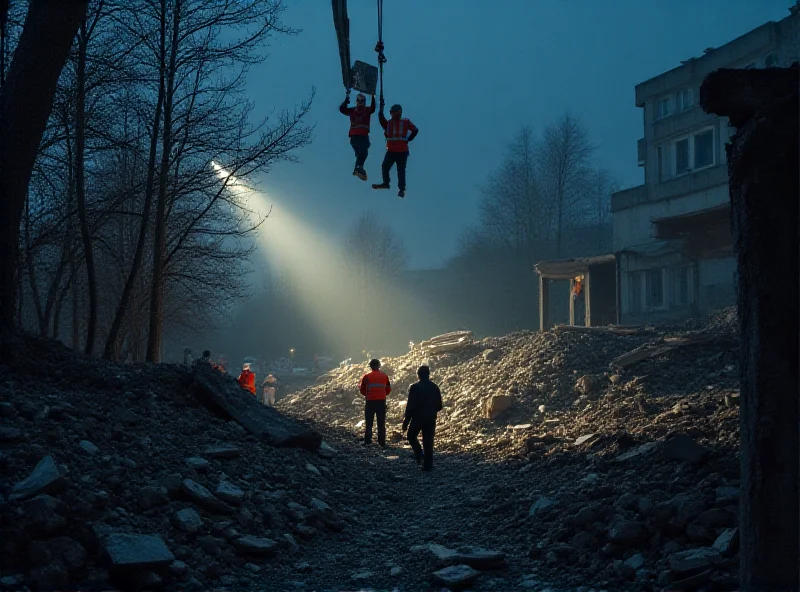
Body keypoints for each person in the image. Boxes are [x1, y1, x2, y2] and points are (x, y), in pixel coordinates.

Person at [372, 103, 418, 198]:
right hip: (393, 151)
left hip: (401, 151)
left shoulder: (404, 122)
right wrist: (380, 111)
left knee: (400, 170)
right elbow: (382, 121)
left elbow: (415, 130)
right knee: (386, 166)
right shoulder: (389, 123)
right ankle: (386, 183)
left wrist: (409, 139)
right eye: (391, 112)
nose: (391, 114)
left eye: (392, 112)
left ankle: (401, 188)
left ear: (398, 112)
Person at [402, 365, 442, 472]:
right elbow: (439, 406)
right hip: (430, 418)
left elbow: (410, 405)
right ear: (429, 374)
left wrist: (406, 420)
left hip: (417, 418)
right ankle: (428, 466)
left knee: (411, 436)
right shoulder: (435, 387)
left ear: (418, 375)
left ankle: (419, 453)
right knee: (428, 441)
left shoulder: (414, 387)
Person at [340, 92, 376, 181]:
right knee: (364, 152)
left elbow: (373, 108)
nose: (360, 103)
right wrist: (346, 100)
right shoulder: (361, 110)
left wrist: (373, 97)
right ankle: (359, 167)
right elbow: (342, 109)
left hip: (356, 137)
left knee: (360, 153)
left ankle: (357, 168)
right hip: (359, 136)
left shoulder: (360, 110)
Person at [358, 358, 392, 447]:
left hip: (370, 402)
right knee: (381, 423)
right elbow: (388, 389)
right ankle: (382, 442)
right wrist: (382, 395)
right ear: (379, 366)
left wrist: (369, 395)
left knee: (369, 422)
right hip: (381, 402)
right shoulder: (384, 376)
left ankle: (368, 440)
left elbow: (362, 390)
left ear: (371, 367)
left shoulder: (366, 377)